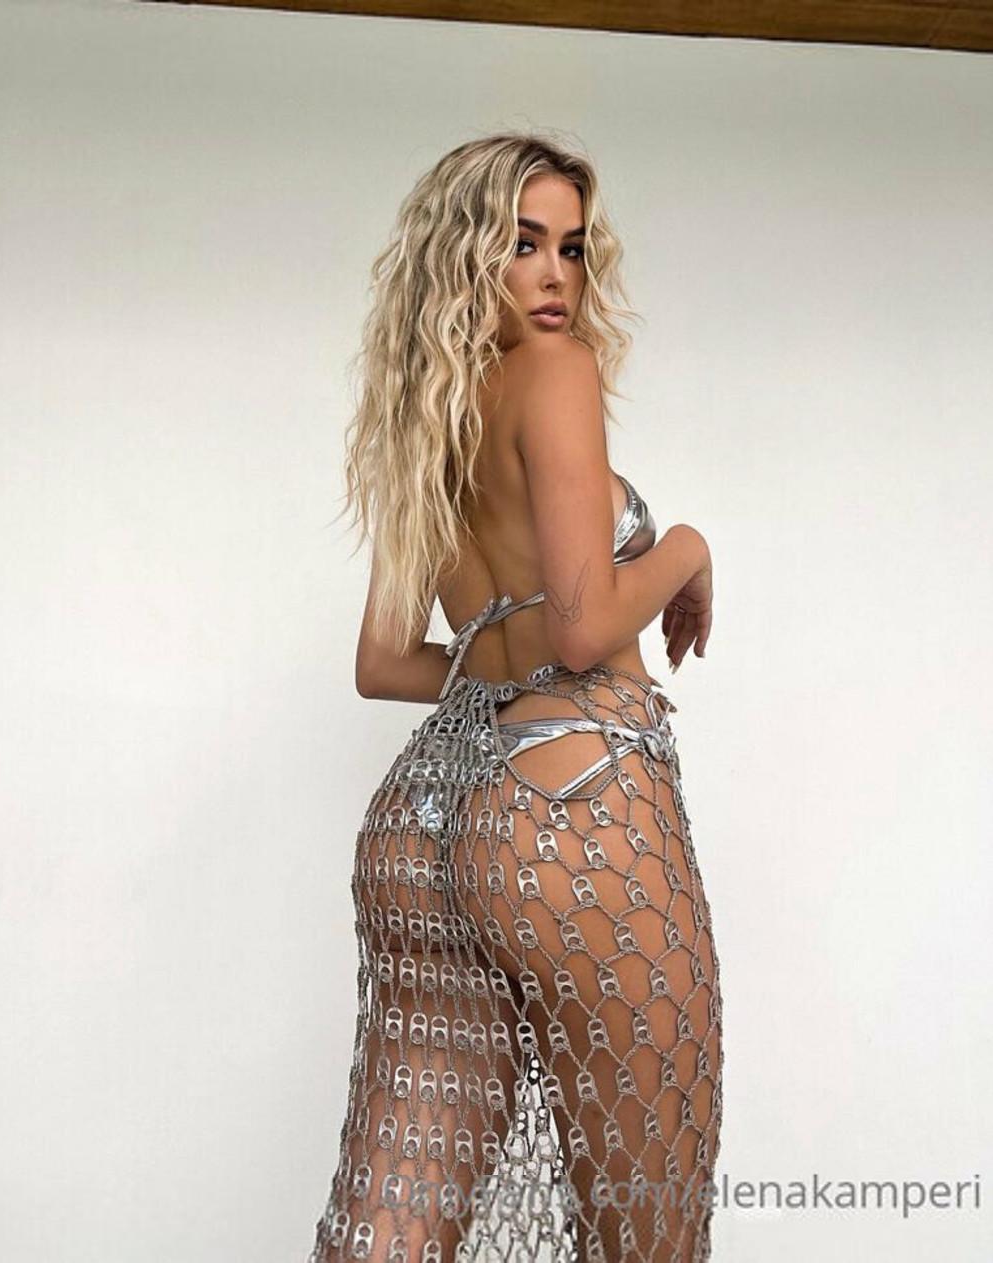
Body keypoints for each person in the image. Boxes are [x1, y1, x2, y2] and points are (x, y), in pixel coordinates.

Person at [308, 131, 722, 1263]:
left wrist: (505, 666)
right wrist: (686, 547)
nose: (555, 276)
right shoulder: (557, 369)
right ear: (465, 255)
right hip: (581, 807)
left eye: (572, 248)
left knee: (393, 1216)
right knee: (648, 1227)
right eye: (522, 243)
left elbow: (385, 662)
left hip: (425, 821)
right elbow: (584, 626)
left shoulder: (423, 414)